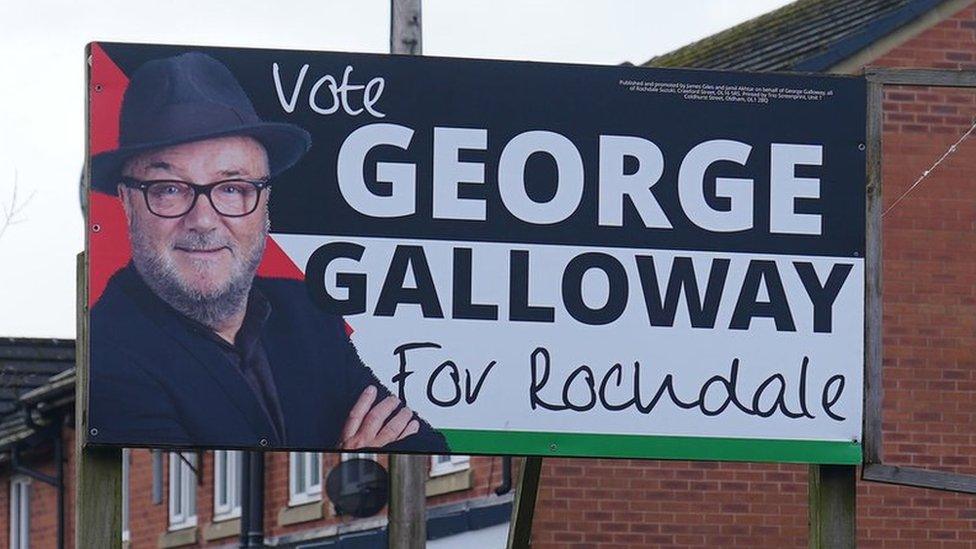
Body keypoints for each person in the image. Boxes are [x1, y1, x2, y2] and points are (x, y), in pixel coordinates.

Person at [88, 51, 448, 452]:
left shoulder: (307, 316)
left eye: (232, 188)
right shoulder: (108, 352)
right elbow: (199, 503)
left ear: (264, 202)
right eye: (169, 189)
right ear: (125, 200)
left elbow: (422, 443)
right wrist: (343, 466)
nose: (204, 220)